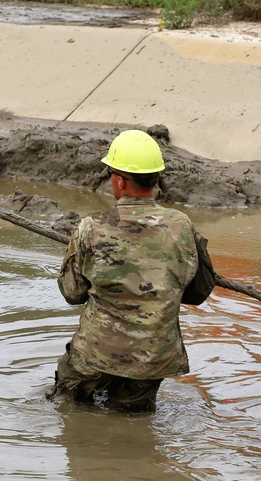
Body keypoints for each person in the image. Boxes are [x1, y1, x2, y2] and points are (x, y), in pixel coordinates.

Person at [51, 129, 213, 412]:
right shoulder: (183, 226)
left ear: (120, 180)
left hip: (96, 354)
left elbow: (72, 293)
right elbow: (198, 292)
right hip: (153, 359)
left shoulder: (91, 227)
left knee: (65, 408)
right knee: (134, 421)